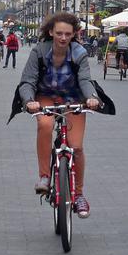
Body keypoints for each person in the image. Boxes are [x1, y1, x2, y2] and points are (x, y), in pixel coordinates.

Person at [16, 13, 104, 219]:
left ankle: (79, 194)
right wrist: (30, 101)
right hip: (45, 97)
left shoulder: (79, 53)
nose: (63, 38)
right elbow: (28, 80)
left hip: (73, 98)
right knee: (45, 126)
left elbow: (85, 79)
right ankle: (45, 177)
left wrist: (91, 98)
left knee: (77, 146)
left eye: (67, 34)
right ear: (50, 32)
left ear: (74, 34)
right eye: (59, 33)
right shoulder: (39, 52)